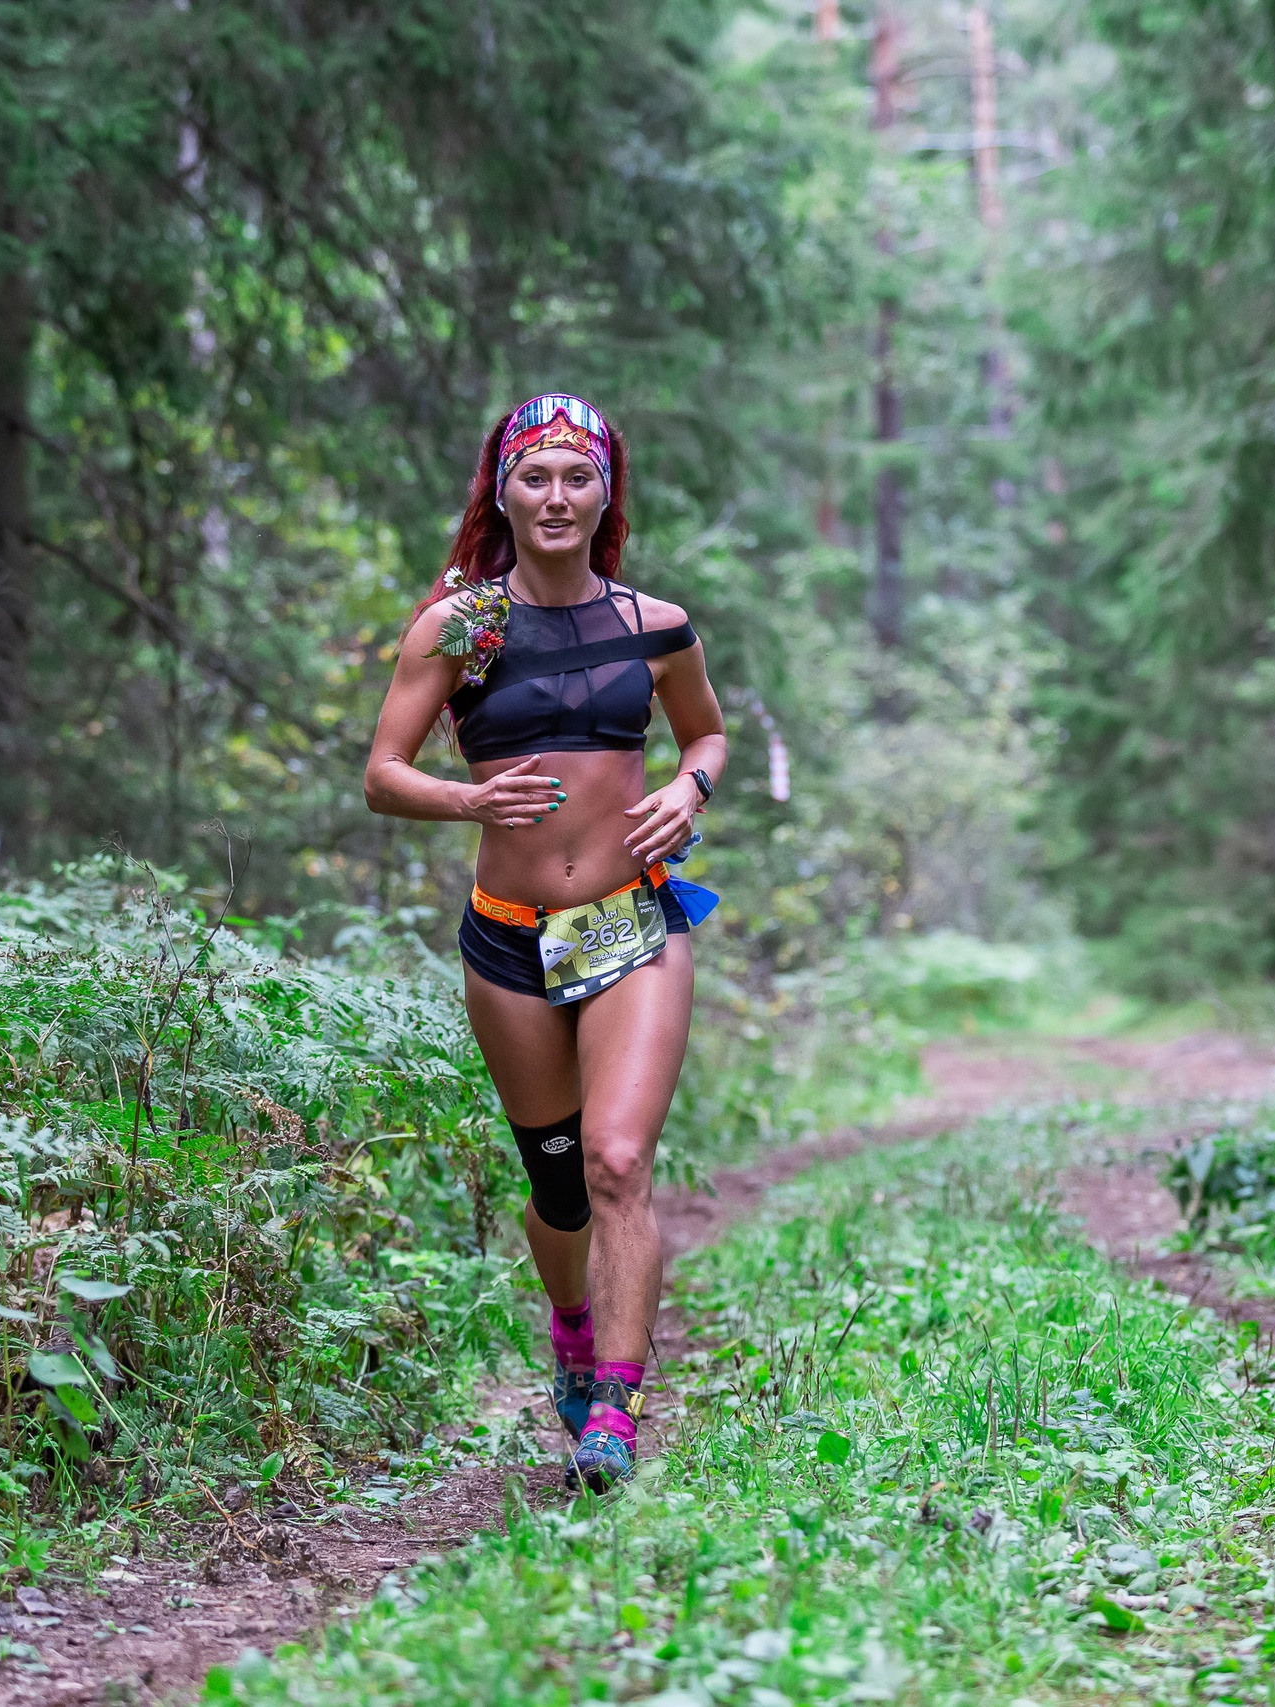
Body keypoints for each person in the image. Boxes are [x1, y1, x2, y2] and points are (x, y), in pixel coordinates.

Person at [364, 393, 726, 1491]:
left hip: (631, 923)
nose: (557, 495)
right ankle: (570, 1323)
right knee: (559, 1181)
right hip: (509, 940)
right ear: (504, 492)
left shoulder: (653, 625)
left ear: (605, 490)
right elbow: (383, 775)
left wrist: (688, 787)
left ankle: (614, 1409)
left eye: (578, 474)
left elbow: (704, 728)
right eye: (536, 476)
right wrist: (465, 805)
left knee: (619, 1161)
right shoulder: (462, 627)